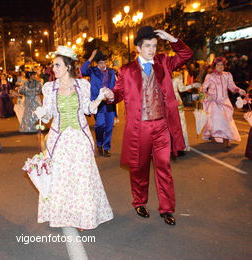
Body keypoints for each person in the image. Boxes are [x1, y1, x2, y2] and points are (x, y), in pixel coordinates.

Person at [106, 27, 193, 225]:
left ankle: (167, 209)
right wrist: (111, 96)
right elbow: (118, 93)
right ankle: (139, 201)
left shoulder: (164, 62)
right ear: (138, 47)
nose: (152, 50)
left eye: (154, 46)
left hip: (162, 125)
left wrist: (172, 38)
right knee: (139, 168)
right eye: (148, 46)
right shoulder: (126, 70)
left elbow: (186, 54)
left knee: (164, 167)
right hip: (140, 128)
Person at [34, 46, 113, 230]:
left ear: (68, 67)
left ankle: (83, 217)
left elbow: (89, 110)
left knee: (82, 178)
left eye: (57, 65)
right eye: (53, 65)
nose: (53, 69)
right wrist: (42, 113)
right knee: (62, 179)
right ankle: (64, 214)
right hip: (59, 139)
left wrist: (100, 97)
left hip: (79, 138)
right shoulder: (49, 88)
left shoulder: (82, 85)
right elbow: (48, 116)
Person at [202, 57, 247, 148]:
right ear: (214, 66)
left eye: (222, 64)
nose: (220, 66)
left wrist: (239, 90)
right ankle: (218, 137)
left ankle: (225, 138)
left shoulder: (227, 75)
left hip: (225, 101)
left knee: (226, 120)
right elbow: (203, 89)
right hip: (213, 101)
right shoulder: (210, 76)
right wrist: (207, 95)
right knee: (217, 120)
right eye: (218, 64)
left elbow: (232, 86)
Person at [81, 49, 116, 157]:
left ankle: (106, 148)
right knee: (100, 125)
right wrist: (91, 57)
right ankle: (99, 144)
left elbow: (115, 86)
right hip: (98, 102)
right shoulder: (92, 71)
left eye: (104, 62)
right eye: (100, 63)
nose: (102, 64)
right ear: (97, 63)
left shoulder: (112, 72)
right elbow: (82, 70)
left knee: (109, 126)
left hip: (109, 103)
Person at [172, 71, 201, 153]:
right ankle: (182, 146)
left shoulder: (159, 74)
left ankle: (172, 146)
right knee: (181, 125)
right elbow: (182, 89)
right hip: (176, 103)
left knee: (170, 125)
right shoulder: (177, 75)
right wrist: (193, 85)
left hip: (167, 103)